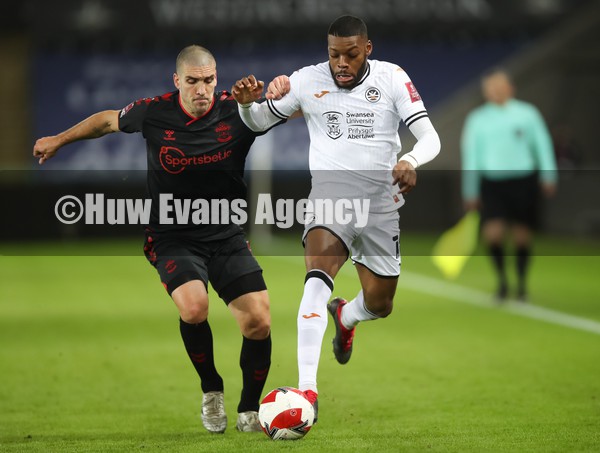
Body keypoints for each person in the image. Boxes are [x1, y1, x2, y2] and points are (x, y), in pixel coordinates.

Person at [33, 45, 276, 434]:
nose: (202, 89)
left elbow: (292, 106)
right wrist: (60, 139)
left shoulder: (239, 109)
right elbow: (106, 121)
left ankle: (249, 408)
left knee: (259, 322)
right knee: (194, 308)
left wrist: (282, 92)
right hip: (173, 236)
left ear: (218, 77)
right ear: (177, 81)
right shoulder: (153, 112)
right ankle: (212, 389)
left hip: (226, 234)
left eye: (209, 80)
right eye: (193, 81)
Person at [231, 15, 441, 420]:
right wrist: (245, 103)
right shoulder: (307, 81)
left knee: (381, 304)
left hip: (381, 205)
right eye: (334, 54)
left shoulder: (393, 78)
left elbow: (430, 136)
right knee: (316, 281)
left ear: (367, 49)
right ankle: (307, 391)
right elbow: (257, 122)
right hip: (331, 198)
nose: (341, 63)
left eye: (350, 54)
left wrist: (411, 158)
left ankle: (346, 317)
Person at [461, 68, 558, 301]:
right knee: (492, 234)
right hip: (492, 182)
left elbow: (542, 145)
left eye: (498, 86)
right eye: (489, 88)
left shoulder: (527, 114)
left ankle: (522, 283)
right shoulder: (477, 119)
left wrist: (549, 174)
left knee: (522, 235)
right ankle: (502, 281)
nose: (493, 91)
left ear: (510, 88)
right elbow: (471, 156)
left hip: (524, 180)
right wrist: (470, 190)